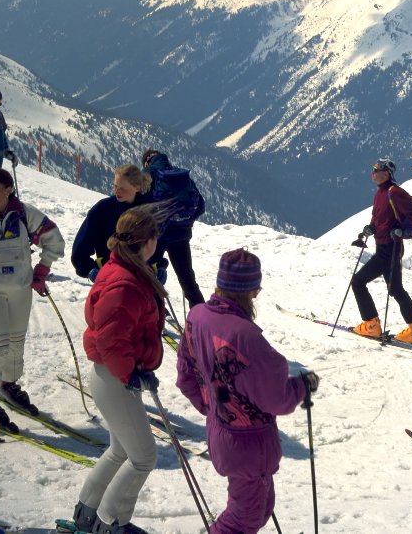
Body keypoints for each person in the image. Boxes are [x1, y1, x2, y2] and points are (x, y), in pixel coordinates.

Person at [176, 248, 317, 534]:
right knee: (244, 519)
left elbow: (185, 375)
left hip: (225, 435)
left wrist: (212, 408)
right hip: (248, 445)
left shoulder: (197, 317)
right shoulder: (247, 337)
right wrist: (302, 385)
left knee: (260, 509)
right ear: (252, 291)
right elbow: (277, 398)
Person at [70, 206, 165, 534]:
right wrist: (130, 373)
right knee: (143, 457)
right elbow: (112, 339)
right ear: (148, 241)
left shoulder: (124, 268)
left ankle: (88, 514)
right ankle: (111, 524)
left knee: (120, 450)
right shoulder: (124, 281)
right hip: (115, 377)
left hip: (111, 374)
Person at [0, 168, 64, 429]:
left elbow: (54, 240)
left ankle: (7, 384)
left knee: (16, 344)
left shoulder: (25, 215)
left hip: (20, 290)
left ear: (8, 190)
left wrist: (43, 269)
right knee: (0, 347)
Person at [351, 158, 412, 344]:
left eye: (377, 169)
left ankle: (371, 325)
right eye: (373, 169)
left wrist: (404, 229)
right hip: (386, 247)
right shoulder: (380, 193)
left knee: (358, 282)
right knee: (396, 290)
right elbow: (380, 218)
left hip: (389, 249)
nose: (373, 172)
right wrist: (371, 228)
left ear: (387, 173)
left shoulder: (394, 192)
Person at [141, 150, 205, 307]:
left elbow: (139, 204)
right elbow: (201, 206)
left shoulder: (148, 174)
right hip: (182, 235)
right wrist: (186, 222)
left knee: (150, 275)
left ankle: (155, 313)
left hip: (157, 236)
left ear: (147, 161)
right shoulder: (182, 175)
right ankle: (201, 316)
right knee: (187, 277)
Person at [71, 165, 153, 280]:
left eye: (122, 188)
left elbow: (155, 243)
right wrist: (89, 269)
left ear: (137, 187)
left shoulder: (147, 210)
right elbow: (81, 247)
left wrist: (158, 267)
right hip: (110, 276)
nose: (117, 191)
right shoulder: (102, 209)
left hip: (142, 277)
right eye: (115, 186)